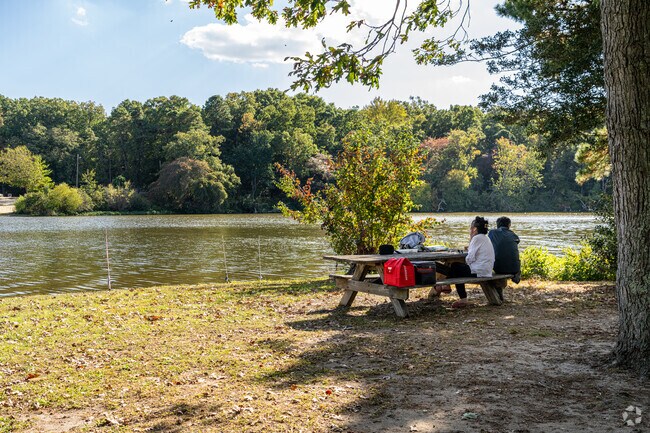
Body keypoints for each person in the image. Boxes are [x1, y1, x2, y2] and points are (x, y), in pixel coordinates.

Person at [435, 216, 495, 308]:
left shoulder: (477, 238)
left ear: (474, 229)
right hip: (486, 271)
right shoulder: (486, 238)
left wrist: (471, 241)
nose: (470, 230)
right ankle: (445, 285)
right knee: (456, 269)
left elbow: (469, 258)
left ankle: (447, 286)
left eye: (471, 228)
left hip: (479, 272)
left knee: (455, 266)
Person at [488, 216, 521, 284]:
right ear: (509, 225)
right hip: (515, 268)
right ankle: (516, 274)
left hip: (498, 268)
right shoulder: (513, 234)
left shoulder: (492, 233)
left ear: (497, 225)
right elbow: (517, 241)